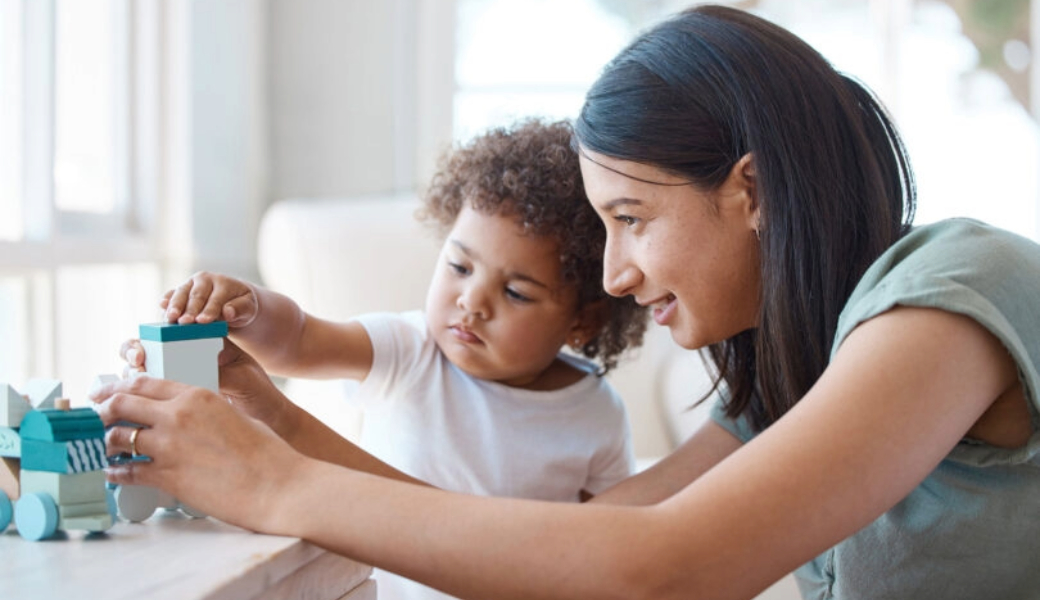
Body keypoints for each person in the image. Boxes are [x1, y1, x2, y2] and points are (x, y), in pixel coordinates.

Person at [91, 5, 1040, 599]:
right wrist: (274, 419)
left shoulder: (951, 296)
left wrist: (272, 482)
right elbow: (568, 553)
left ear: (750, 190)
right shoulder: (787, 391)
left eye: (631, 217)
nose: (618, 274)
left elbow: (661, 569)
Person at [119, 119, 647, 600]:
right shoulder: (411, 348)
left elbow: (603, 544)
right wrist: (248, 307)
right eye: (460, 266)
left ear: (583, 320)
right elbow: (300, 339)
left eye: (516, 293)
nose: (472, 301)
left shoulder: (596, 415)